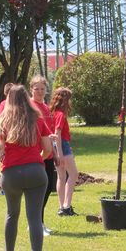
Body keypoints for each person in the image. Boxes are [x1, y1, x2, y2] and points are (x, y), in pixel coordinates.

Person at [0, 84, 56, 251]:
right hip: (36, 172)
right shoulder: (37, 118)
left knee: (12, 214)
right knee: (34, 217)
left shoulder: (4, 120)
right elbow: (48, 148)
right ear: (27, 97)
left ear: (9, 99)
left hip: (11, 173)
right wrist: (37, 160)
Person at [29, 75, 61, 234]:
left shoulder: (46, 108)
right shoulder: (30, 107)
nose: (40, 92)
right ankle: (36, 225)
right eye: (37, 89)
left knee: (47, 188)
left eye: (42, 89)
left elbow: (49, 132)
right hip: (36, 154)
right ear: (31, 89)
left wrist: (55, 152)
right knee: (38, 191)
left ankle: (39, 223)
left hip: (47, 154)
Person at [50, 87, 79, 216]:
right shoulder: (61, 115)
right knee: (73, 174)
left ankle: (62, 207)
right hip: (62, 146)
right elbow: (58, 134)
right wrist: (60, 154)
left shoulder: (52, 113)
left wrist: (56, 152)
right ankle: (67, 206)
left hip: (55, 146)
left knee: (61, 177)